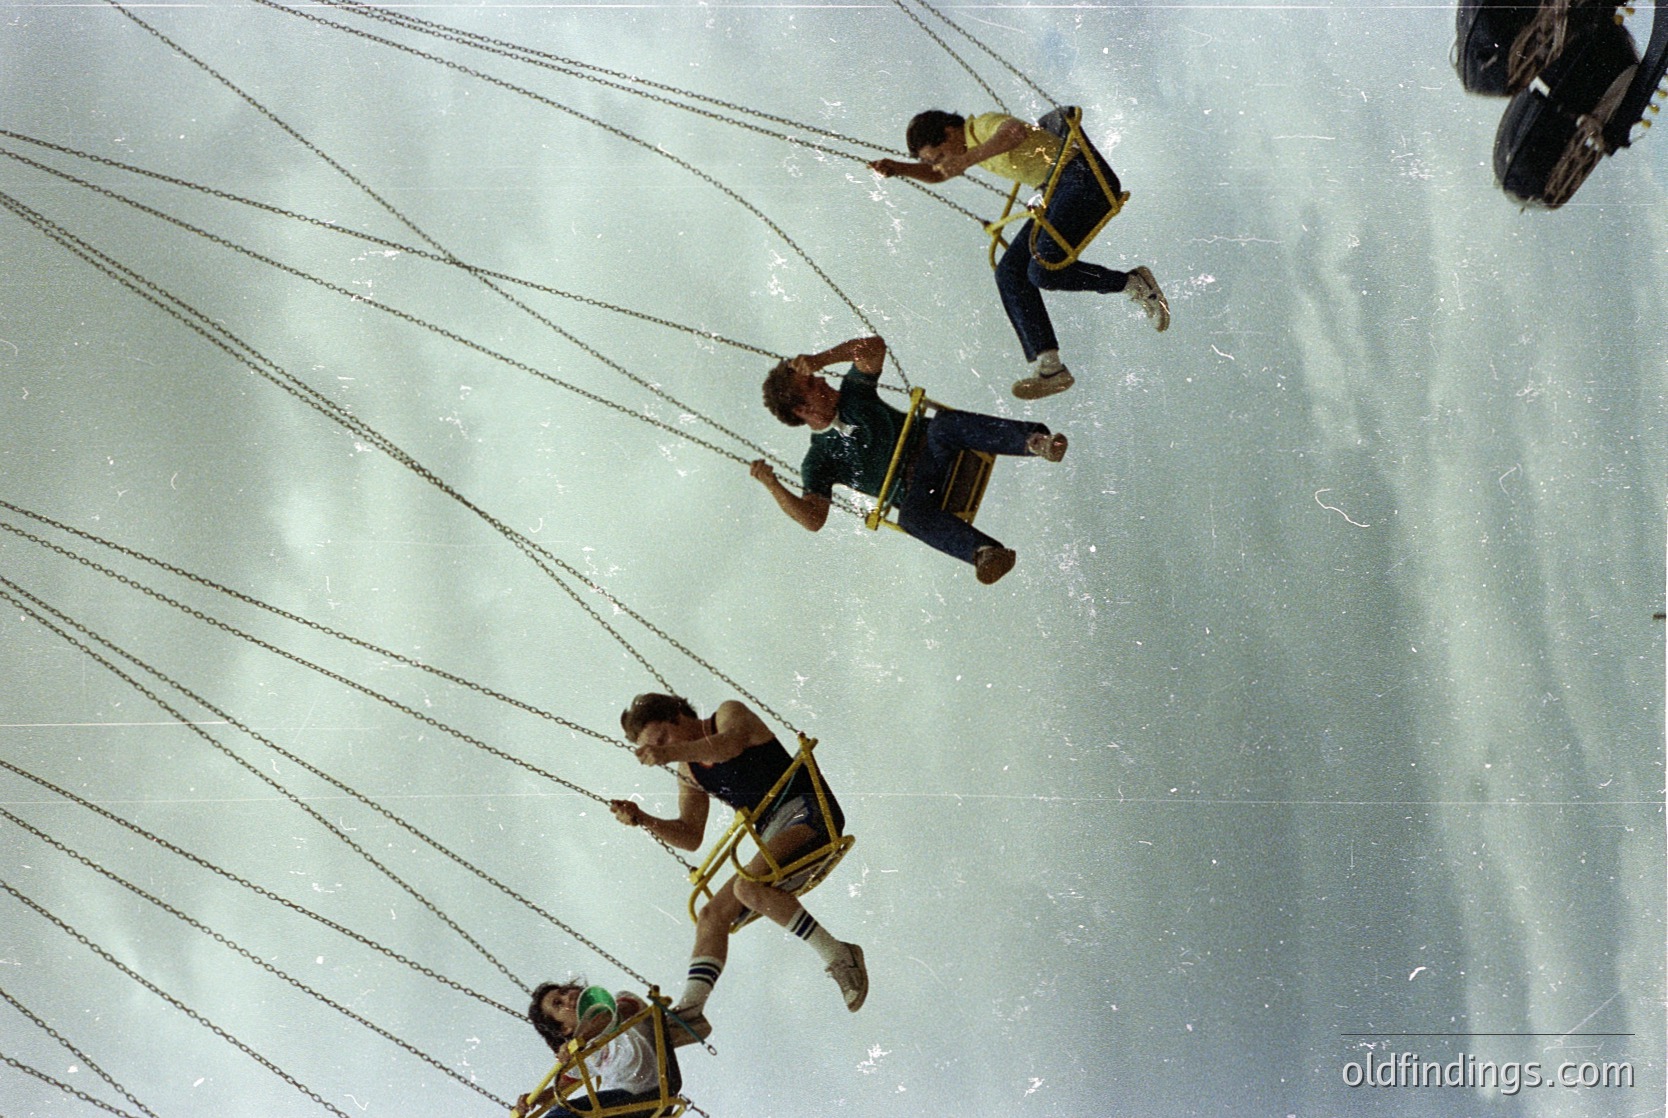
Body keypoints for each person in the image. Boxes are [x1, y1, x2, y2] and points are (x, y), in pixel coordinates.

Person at [610, 693, 868, 1039]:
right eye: (656, 747)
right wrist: (643, 818)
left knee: (747, 886)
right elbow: (690, 835)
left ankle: (839, 954)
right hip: (775, 833)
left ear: (677, 715)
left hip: (809, 810)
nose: (663, 750)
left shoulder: (728, 714)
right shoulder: (688, 771)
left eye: (662, 738)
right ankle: (691, 1013)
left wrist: (669, 753)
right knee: (711, 915)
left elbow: (728, 746)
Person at [870, 109, 1169, 400]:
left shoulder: (983, 126)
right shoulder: (970, 146)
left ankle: (1131, 282)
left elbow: (1016, 131)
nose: (943, 163)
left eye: (940, 156)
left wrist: (967, 159)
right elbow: (938, 174)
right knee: (1009, 273)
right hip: (1057, 191)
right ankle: (1050, 366)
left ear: (949, 133)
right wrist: (899, 168)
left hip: (1081, 179)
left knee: (1043, 269)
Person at [754, 334, 1067, 585]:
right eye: (811, 385)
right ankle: (985, 554)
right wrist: (773, 485)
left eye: (817, 377)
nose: (822, 381)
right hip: (918, 491)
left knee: (944, 423)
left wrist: (822, 359)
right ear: (802, 410)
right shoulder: (818, 460)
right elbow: (812, 519)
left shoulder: (853, 393)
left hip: (937, 447)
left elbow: (874, 348)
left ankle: (1036, 442)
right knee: (911, 519)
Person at [518, 983, 682, 1118]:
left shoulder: (620, 1001)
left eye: (564, 991)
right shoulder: (585, 1052)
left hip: (649, 1092)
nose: (567, 996)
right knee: (559, 1113)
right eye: (558, 1004)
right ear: (565, 1028)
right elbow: (560, 1087)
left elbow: (615, 1014)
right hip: (623, 1103)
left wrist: (582, 1038)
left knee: (563, 1116)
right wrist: (533, 1099)